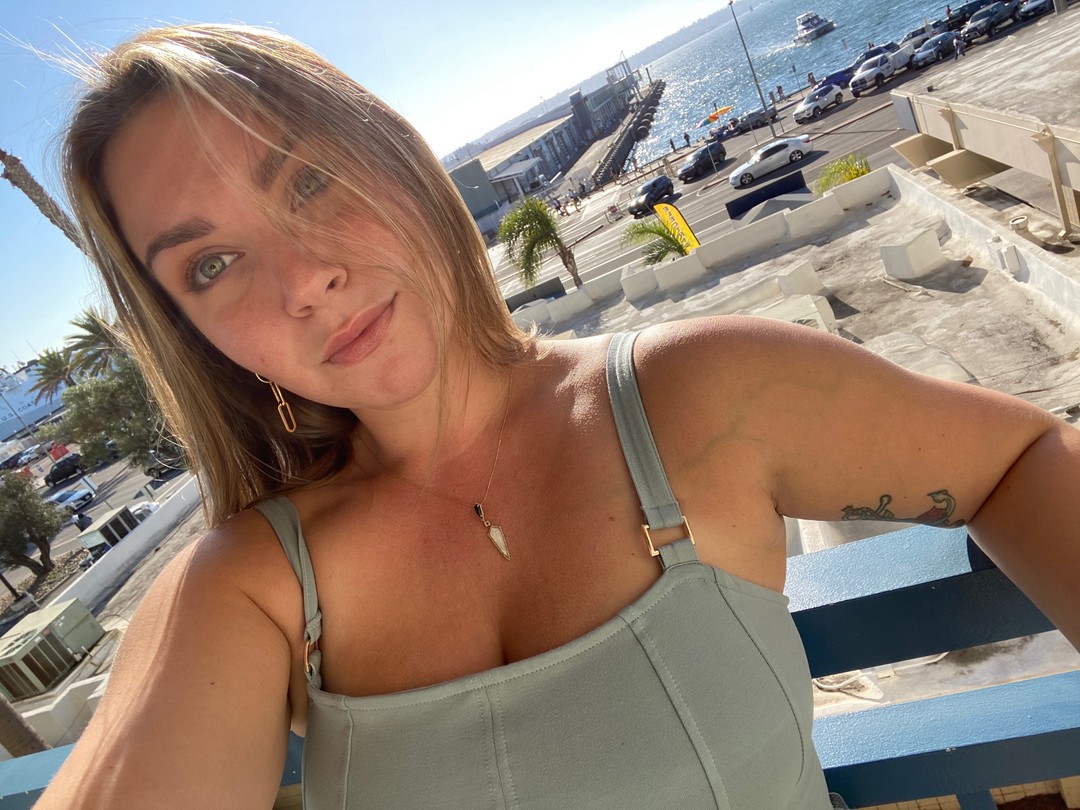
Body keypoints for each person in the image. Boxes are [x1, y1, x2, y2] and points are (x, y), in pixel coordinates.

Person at [39, 23, 1080, 809]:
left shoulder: (698, 393)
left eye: (309, 181)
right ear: (191, 330)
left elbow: (1013, 455)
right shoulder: (249, 587)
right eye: (212, 263)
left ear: (392, 152)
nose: (303, 279)